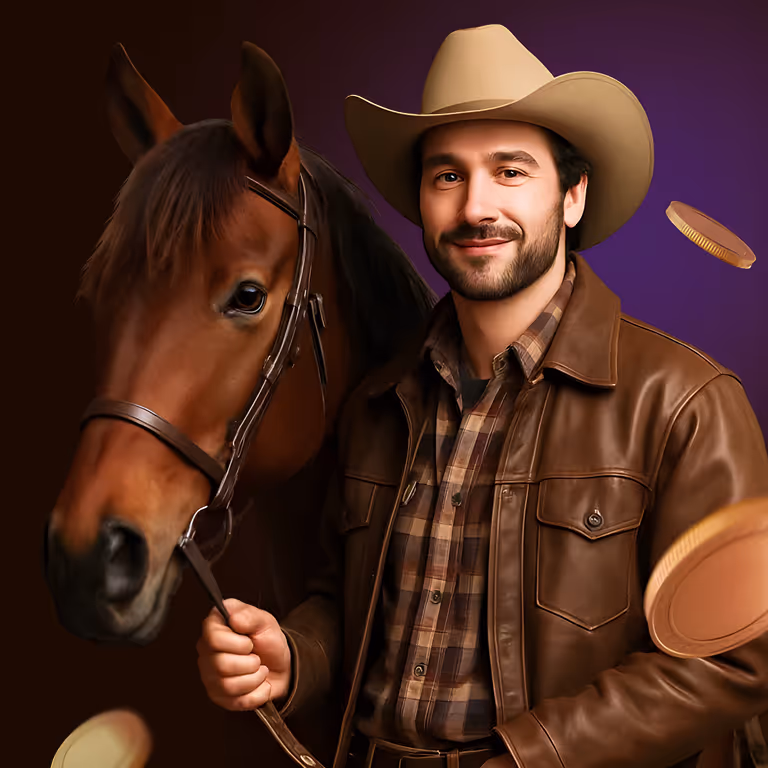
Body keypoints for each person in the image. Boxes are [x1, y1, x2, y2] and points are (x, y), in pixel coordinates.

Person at [196, 25, 768, 768]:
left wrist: (528, 758)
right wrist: (293, 654)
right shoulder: (378, 403)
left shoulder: (686, 404)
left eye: (509, 171)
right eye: (447, 176)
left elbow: (733, 663)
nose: (475, 208)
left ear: (571, 197)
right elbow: (347, 600)